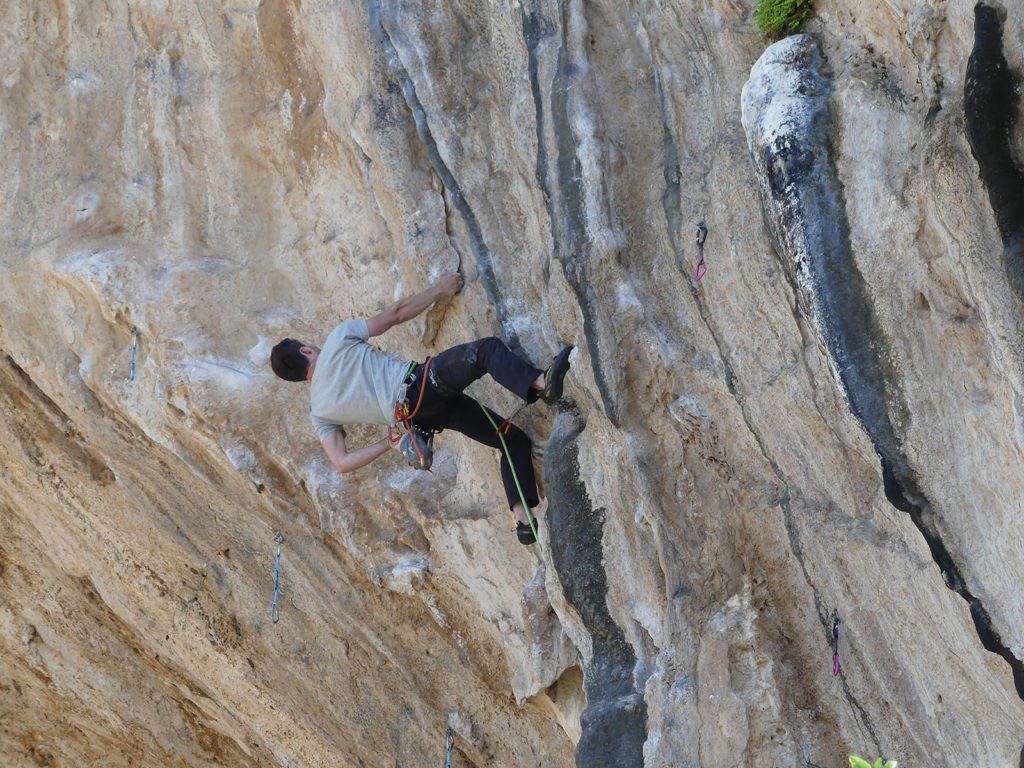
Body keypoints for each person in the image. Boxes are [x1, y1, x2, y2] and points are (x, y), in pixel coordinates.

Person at [270, 273, 571, 545]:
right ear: (305, 350)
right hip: (420, 385)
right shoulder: (337, 340)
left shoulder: (320, 412)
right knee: (485, 351)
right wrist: (441, 288)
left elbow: (341, 462)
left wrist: (388, 444)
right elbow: (395, 314)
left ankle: (523, 521)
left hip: (422, 418)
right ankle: (543, 383)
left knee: (511, 439)